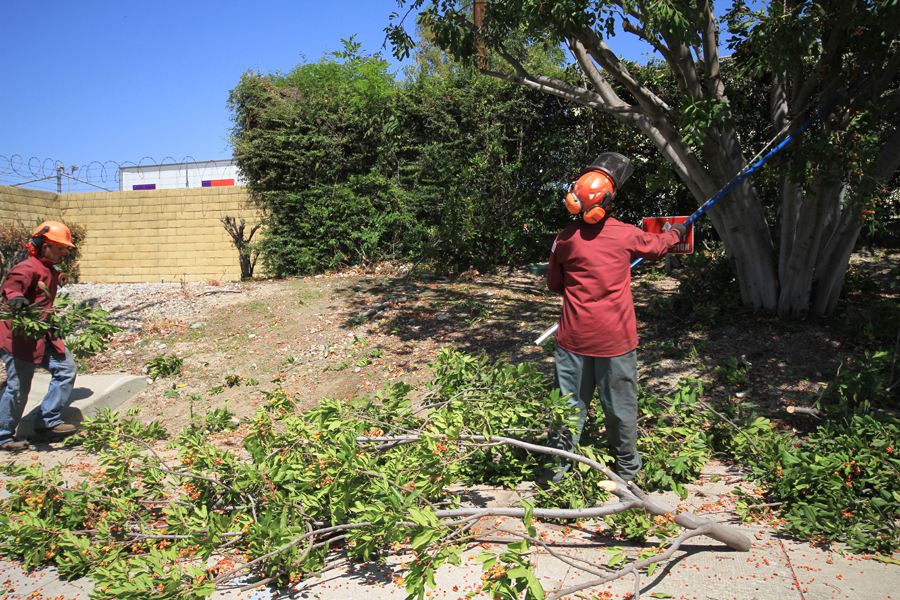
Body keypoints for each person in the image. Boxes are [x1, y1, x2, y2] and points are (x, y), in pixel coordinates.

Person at [538, 153, 686, 488]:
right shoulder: (626, 235)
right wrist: (677, 232)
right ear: (607, 202)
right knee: (620, 408)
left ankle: (556, 474)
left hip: (572, 342)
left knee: (568, 410)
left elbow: (553, 285)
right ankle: (628, 475)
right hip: (616, 343)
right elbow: (659, 245)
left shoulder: (563, 239)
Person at [0, 221, 79, 451]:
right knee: (18, 386)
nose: (64, 252)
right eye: (60, 247)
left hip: (43, 335)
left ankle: (48, 420)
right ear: (43, 245)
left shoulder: (50, 270)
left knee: (66, 368)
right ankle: (3, 436)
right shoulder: (27, 268)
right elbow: (12, 285)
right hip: (20, 339)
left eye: (65, 248)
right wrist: (15, 296)